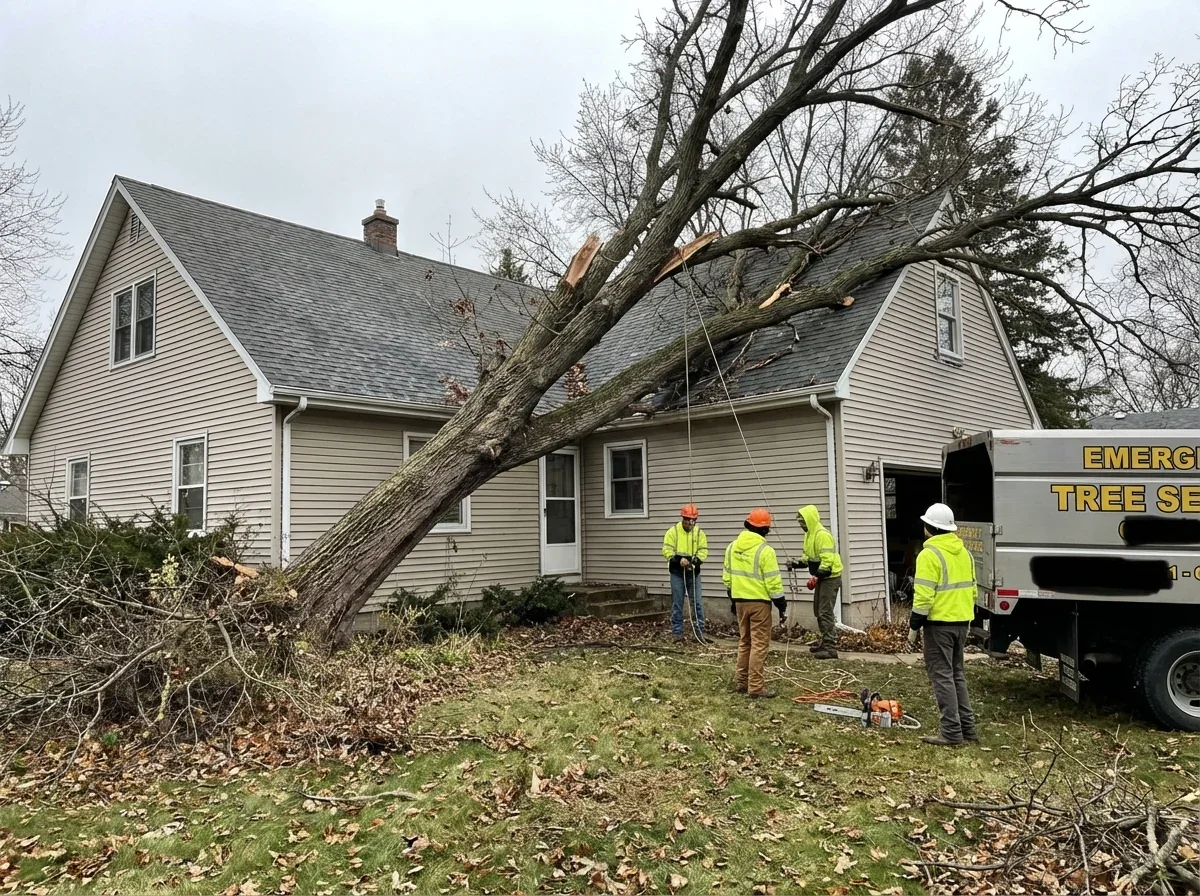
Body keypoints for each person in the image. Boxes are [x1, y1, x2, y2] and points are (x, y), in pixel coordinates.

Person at [907, 502, 979, 747]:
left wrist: (914, 625)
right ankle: (967, 729)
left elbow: (924, 595)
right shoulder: (966, 553)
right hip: (962, 622)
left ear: (929, 527)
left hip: (939, 624)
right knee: (957, 674)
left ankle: (951, 732)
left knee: (942, 675)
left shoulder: (930, 554)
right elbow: (973, 590)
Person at [723, 508, 788, 698]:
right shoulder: (765, 551)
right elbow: (773, 582)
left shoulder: (732, 547)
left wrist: (733, 599)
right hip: (759, 603)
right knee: (759, 645)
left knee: (745, 642)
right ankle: (756, 687)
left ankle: (741, 683)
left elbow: (727, 578)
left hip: (740, 602)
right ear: (765, 529)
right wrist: (781, 604)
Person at [785, 505, 843, 660]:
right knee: (818, 611)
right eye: (800, 522)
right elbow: (808, 558)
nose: (801, 525)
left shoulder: (822, 535)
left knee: (825, 612)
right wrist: (796, 563)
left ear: (810, 519)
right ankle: (825, 643)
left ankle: (831, 648)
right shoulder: (809, 535)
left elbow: (827, 562)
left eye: (803, 522)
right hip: (822, 578)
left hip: (830, 578)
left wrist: (816, 576)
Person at [662, 503, 708, 642]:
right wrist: (678, 560)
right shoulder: (673, 532)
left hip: (693, 573)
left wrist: (695, 561)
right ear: (683, 518)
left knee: (697, 603)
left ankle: (699, 633)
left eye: (693, 520)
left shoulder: (699, 533)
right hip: (677, 573)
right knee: (677, 603)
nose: (690, 522)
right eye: (688, 519)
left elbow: (704, 550)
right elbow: (666, 551)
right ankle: (677, 633)